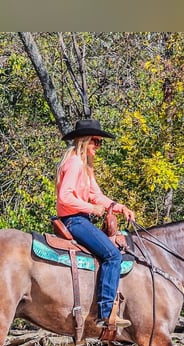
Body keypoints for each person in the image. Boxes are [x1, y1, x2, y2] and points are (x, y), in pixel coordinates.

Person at [56, 118, 135, 329]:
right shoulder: (74, 163)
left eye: (100, 142)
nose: (98, 147)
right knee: (112, 255)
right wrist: (92, 209)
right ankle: (106, 311)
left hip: (80, 218)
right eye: (96, 142)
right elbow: (65, 197)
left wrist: (119, 207)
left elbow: (96, 195)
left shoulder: (84, 166)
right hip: (74, 219)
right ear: (84, 140)